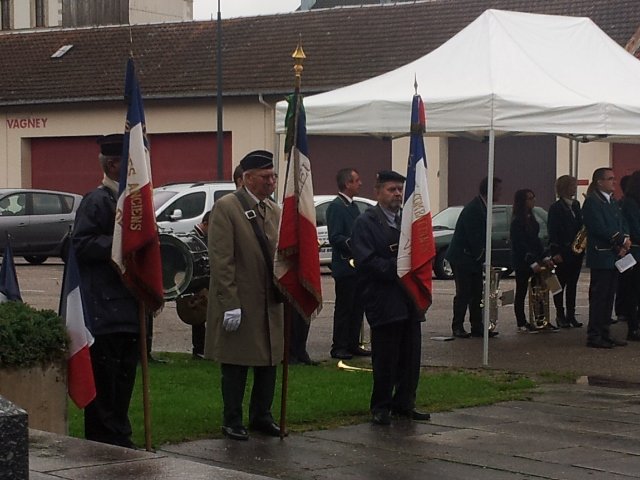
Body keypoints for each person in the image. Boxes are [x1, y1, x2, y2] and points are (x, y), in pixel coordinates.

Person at [204, 150, 284, 441]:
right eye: (265, 177)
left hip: (269, 301)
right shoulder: (227, 208)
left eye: (273, 176)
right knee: (236, 363)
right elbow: (222, 260)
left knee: (269, 360)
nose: (271, 182)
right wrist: (230, 303)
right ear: (248, 178)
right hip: (240, 299)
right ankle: (232, 419)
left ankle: (262, 415)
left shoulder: (273, 210)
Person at [71, 134, 139, 449]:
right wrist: (121, 243)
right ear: (113, 165)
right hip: (104, 308)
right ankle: (104, 440)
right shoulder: (97, 201)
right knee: (106, 381)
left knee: (124, 379)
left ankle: (120, 434)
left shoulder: (133, 202)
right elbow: (81, 244)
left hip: (129, 306)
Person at [351, 170, 429, 426]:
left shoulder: (408, 220)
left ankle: (405, 403)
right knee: (386, 358)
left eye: (399, 190)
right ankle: (381, 406)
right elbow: (366, 260)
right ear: (377, 192)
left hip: (409, 299)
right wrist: (399, 267)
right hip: (383, 298)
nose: (397, 194)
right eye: (391, 189)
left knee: (410, 356)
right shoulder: (366, 222)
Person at [445, 177, 502, 338]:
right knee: (463, 293)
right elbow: (474, 237)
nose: (500, 193)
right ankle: (457, 326)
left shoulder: (482, 206)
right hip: (462, 257)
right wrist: (484, 259)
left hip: (471, 258)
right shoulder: (474, 208)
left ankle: (477, 326)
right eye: (498, 190)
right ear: (490, 190)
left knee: (477, 293)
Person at [582, 167, 630, 349]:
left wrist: (625, 240)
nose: (613, 182)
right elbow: (598, 227)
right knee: (599, 297)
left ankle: (605, 332)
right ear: (599, 182)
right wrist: (620, 239)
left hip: (614, 255)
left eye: (614, 178)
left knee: (609, 297)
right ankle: (594, 335)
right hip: (601, 254)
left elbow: (621, 221)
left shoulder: (612, 201)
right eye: (610, 179)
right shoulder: (592, 202)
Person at [326, 168, 369, 359]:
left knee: (357, 307)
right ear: (347, 184)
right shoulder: (336, 207)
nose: (360, 183)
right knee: (345, 308)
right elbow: (335, 237)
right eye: (356, 180)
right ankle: (339, 346)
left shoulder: (353, 206)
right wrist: (356, 245)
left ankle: (353, 343)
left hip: (358, 267)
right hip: (345, 266)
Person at [510, 189, 555, 332]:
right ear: (522, 201)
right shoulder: (517, 222)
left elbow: (536, 241)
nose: (533, 200)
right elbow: (520, 244)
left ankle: (541, 319)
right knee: (522, 291)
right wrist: (531, 262)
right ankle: (521, 322)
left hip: (535, 259)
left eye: (533, 197)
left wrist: (544, 256)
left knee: (540, 290)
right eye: (530, 198)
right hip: (522, 262)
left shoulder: (532, 219)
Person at [548, 175, 584, 328]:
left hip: (576, 251)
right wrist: (555, 252)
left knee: (572, 284)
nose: (574, 188)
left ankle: (571, 314)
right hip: (563, 251)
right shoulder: (556, 208)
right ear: (564, 188)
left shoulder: (576, 205)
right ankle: (560, 314)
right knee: (559, 284)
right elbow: (553, 231)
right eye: (572, 186)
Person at [620, 171, 640, 341]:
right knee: (633, 291)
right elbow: (635, 228)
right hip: (633, 253)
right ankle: (633, 327)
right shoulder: (630, 203)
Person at [190, 212, 209, 359]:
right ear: (206, 224)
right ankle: (199, 349)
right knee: (198, 317)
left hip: (202, 281)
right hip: (198, 282)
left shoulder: (200, 237)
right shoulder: (194, 238)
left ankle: (202, 348)